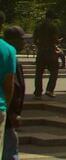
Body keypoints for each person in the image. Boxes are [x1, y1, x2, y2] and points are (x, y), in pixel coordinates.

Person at [2, 24, 27, 160]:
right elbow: (8, 86)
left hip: (8, 113)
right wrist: (11, 112)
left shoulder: (12, 57)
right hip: (6, 113)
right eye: (21, 39)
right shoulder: (8, 57)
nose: (24, 43)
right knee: (9, 152)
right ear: (12, 41)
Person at [31, 10, 59, 100]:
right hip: (50, 52)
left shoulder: (38, 26)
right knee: (54, 71)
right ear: (52, 17)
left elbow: (35, 40)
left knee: (39, 73)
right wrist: (58, 42)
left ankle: (38, 92)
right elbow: (55, 39)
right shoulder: (53, 26)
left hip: (41, 52)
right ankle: (50, 89)